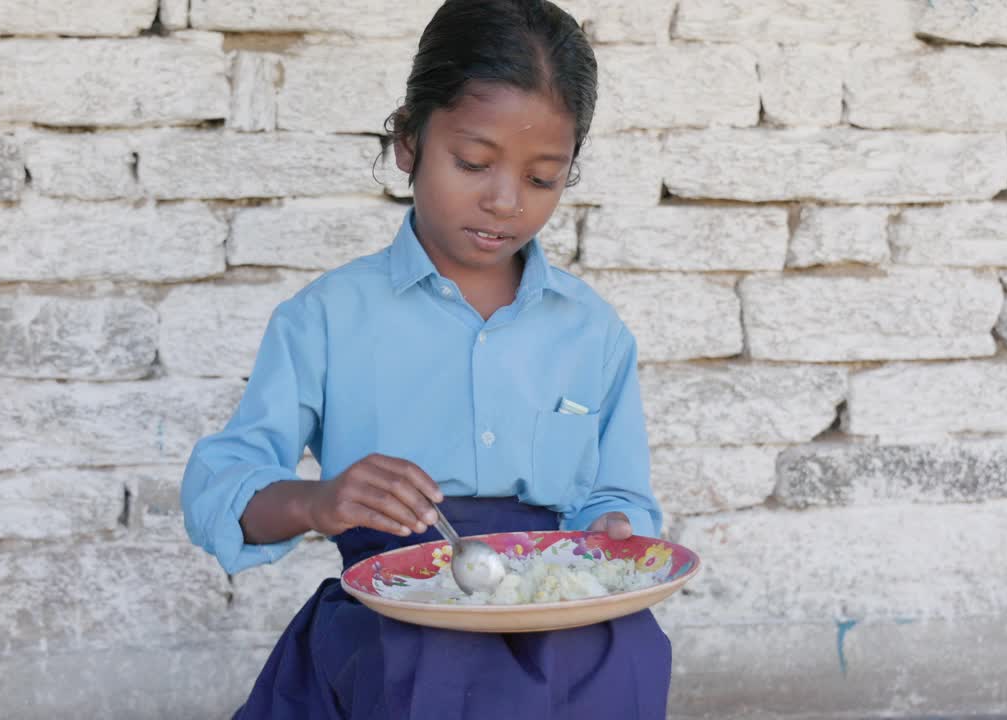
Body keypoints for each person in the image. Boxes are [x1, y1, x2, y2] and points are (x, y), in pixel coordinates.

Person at [181, 0, 669, 716]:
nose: (505, 201)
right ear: (408, 140)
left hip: (558, 615)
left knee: (631, 646)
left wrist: (613, 532)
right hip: (399, 620)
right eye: (472, 161)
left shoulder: (591, 331)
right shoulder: (327, 317)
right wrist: (319, 502)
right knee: (425, 670)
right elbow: (218, 491)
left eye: (542, 178)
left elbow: (620, 497)